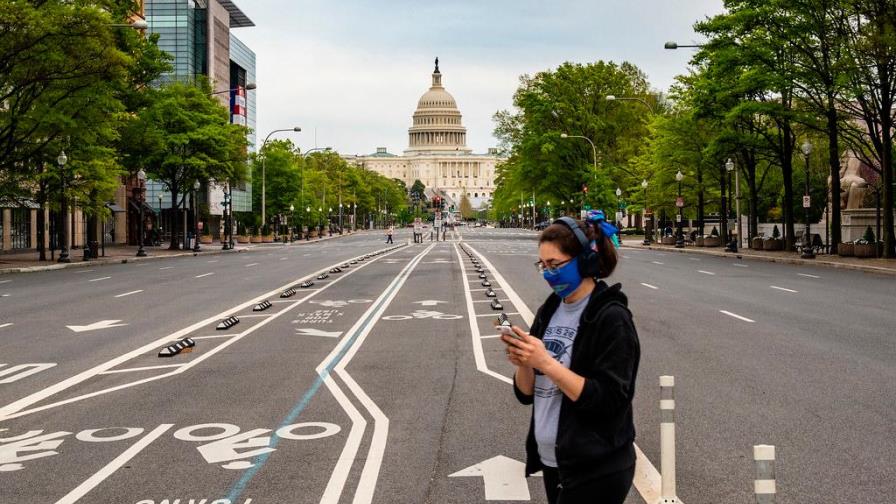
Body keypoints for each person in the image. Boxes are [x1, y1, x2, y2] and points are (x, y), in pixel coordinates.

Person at [501, 216, 640, 504]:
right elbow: (525, 394)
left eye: (555, 265)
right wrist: (524, 360)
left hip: (598, 466)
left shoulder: (612, 318)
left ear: (585, 262)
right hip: (557, 462)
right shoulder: (549, 309)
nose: (548, 274)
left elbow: (611, 400)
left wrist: (547, 363)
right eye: (543, 266)